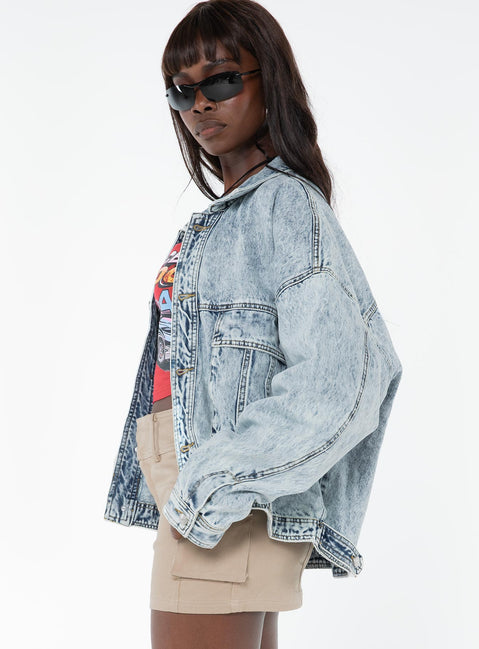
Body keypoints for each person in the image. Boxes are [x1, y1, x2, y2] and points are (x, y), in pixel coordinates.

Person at [103, 1, 403, 648]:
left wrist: (216, 479)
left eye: (220, 80)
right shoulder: (237, 213)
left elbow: (342, 378)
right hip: (210, 493)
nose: (199, 105)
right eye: (181, 90)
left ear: (270, 80)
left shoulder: (283, 207)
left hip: (221, 497)